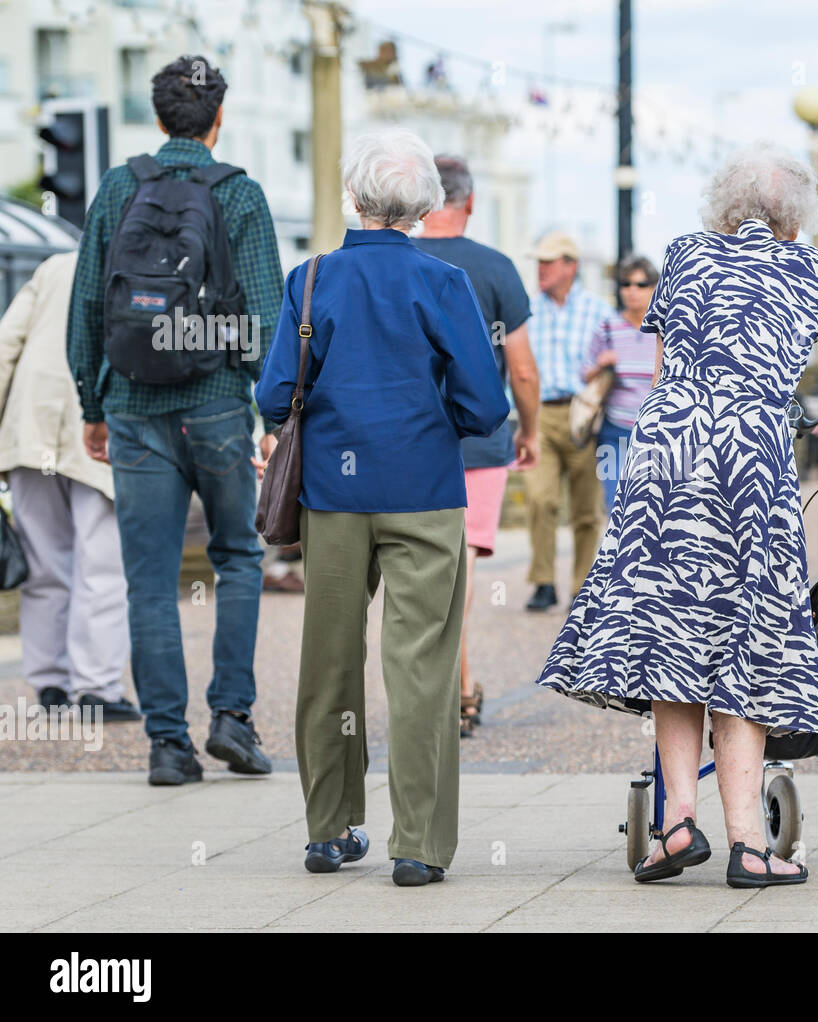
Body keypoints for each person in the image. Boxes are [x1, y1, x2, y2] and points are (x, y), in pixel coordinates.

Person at [536, 142, 818, 888]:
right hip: (747, 458)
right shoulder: (815, 268)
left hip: (665, 451)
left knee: (672, 631)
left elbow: (664, 372)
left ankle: (674, 828)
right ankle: (747, 847)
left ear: (726, 206)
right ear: (797, 215)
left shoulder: (687, 255)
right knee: (746, 636)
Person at [255, 130, 508, 886]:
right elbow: (486, 405)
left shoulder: (311, 279)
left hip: (333, 492)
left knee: (329, 661)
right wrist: (434, 425)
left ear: (355, 199)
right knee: (422, 667)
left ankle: (329, 831)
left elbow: (274, 396)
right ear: (424, 205)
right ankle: (420, 846)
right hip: (424, 490)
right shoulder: (444, 283)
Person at [66, 55, 283, 784]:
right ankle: (233, 719)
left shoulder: (119, 186)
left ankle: (167, 745)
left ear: (158, 119)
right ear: (219, 119)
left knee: (150, 581)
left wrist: (94, 405)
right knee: (239, 560)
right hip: (218, 404)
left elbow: (91, 306)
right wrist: (273, 414)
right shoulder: (241, 195)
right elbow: (264, 316)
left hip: (132, 408)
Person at [412, 154, 540, 737]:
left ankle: (454, 691)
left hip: (408, 441)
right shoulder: (494, 269)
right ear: (469, 203)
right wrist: (529, 431)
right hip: (481, 443)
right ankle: (454, 693)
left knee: (425, 572)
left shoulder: (402, 262)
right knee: (457, 570)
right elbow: (522, 371)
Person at [0, 251, 137, 720]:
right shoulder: (144, 266)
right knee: (102, 563)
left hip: (30, 425)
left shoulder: (56, 264)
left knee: (43, 563)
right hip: (98, 430)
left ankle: (51, 684)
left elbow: (5, 344)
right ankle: (96, 687)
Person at [524, 231, 616, 612]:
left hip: (584, 416)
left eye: (549, 262)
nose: (541, 269)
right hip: (541, 414)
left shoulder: (599, 312)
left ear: (570, 266)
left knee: (585, 509)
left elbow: (619, 358)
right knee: (539, 499)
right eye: (540, 262)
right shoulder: (526, 310)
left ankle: (581, 586)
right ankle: (543, 582)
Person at [581, 253, 659, 513]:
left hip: (654, 434)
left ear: (654, 288)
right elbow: (585, 375)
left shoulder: (666, 329)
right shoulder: (608, 327)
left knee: (649, 508)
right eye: (626, 284)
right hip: (614, 433)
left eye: (640, 284)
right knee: (615, 504)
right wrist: (601, 365)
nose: (632, 291)